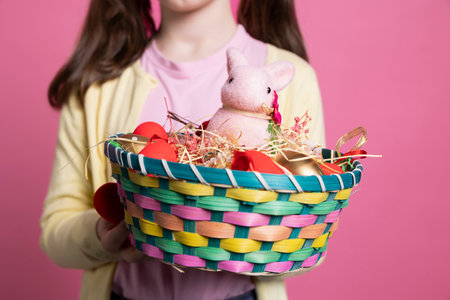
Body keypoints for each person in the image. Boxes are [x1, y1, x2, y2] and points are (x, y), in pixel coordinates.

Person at [40, 0, 325, 299]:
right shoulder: (97, 83)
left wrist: (248, 236)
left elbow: (310, 232)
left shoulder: (292, 77)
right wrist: (100, 235)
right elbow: (56, 228)